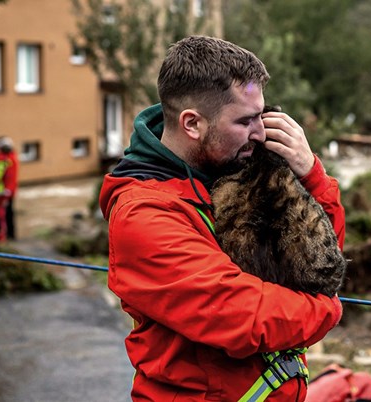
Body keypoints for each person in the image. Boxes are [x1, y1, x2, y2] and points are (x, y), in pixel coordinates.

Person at [99, 36, 345, 401]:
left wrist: (311, 175)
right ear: (192, 124)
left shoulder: (233, 166)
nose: (261, 133)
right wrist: (328, 308)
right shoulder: (143, 214)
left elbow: (320, 262)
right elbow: (243, 317)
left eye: (261, 117)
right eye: (245, 121)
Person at [0, 136, 19, 240]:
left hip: (5, 192)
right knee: (7, 214)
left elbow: (9, 177)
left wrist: (7, 192)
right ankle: (8, 235)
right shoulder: (11, 157)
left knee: (5, 214)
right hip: (7, 191)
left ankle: (8, 235)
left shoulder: (8, 160)